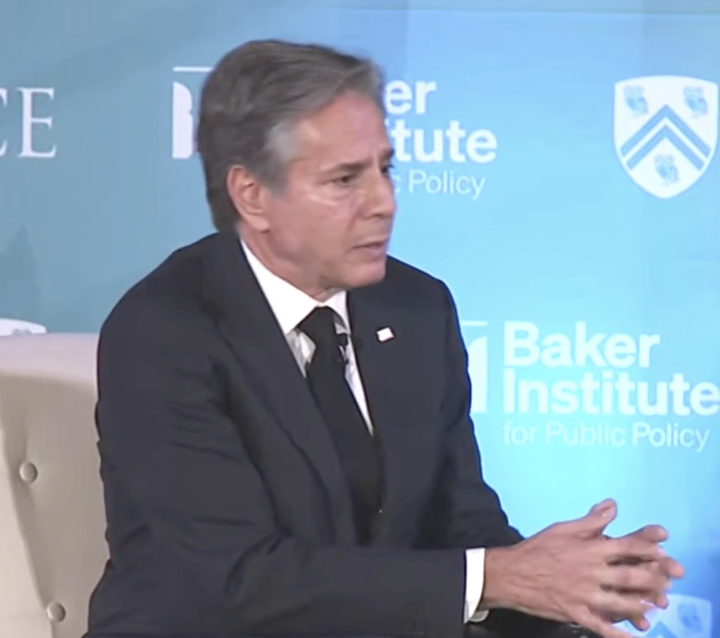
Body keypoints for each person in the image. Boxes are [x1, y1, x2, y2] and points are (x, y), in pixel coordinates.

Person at [85, 39, 683, 638]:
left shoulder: (417, 308)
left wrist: (573, 590)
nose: (384, 202)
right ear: (253, 195)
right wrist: (500, 577)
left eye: (385, 169)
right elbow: (240, 580)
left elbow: (459, 526)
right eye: (345, 179)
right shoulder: (165, 332)